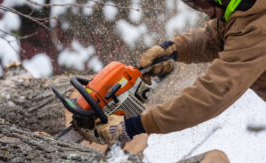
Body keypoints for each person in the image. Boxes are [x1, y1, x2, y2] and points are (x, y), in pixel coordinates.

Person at [95, 0, 265, 147]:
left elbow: (213, 94)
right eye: (193, 4)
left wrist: (136, 125)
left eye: (202, 3)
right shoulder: (245, 9)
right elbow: (217, 35)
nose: (204, 11)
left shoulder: (257, 27)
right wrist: (175, 48)